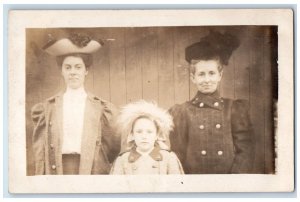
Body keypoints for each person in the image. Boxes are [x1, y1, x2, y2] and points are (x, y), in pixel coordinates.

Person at [31, 33, 120, 175]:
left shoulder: (102, 108)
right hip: (57, 169)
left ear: (86, 71)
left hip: (91, 169)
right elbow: (40, 151)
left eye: (78, 67)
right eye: (68, 67)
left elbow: (112, 148)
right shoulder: (47, 108)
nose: (73, 72)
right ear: (62, 71)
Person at [169, 30, 255, 174]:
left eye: (211, 73)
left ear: (220, 75)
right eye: (201, 74)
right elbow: (178, 156)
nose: (207, 80)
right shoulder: (182, 112)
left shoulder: (233, 109)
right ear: (193, 78)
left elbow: (245, 152)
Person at [110, 100, 184, 175]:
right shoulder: (123, 160)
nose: (144, 137)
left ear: (157, 135)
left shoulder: (169, 158)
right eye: (139, 132)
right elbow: (115, 185)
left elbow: (177, 184)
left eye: (149, 132)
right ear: (132, 135)